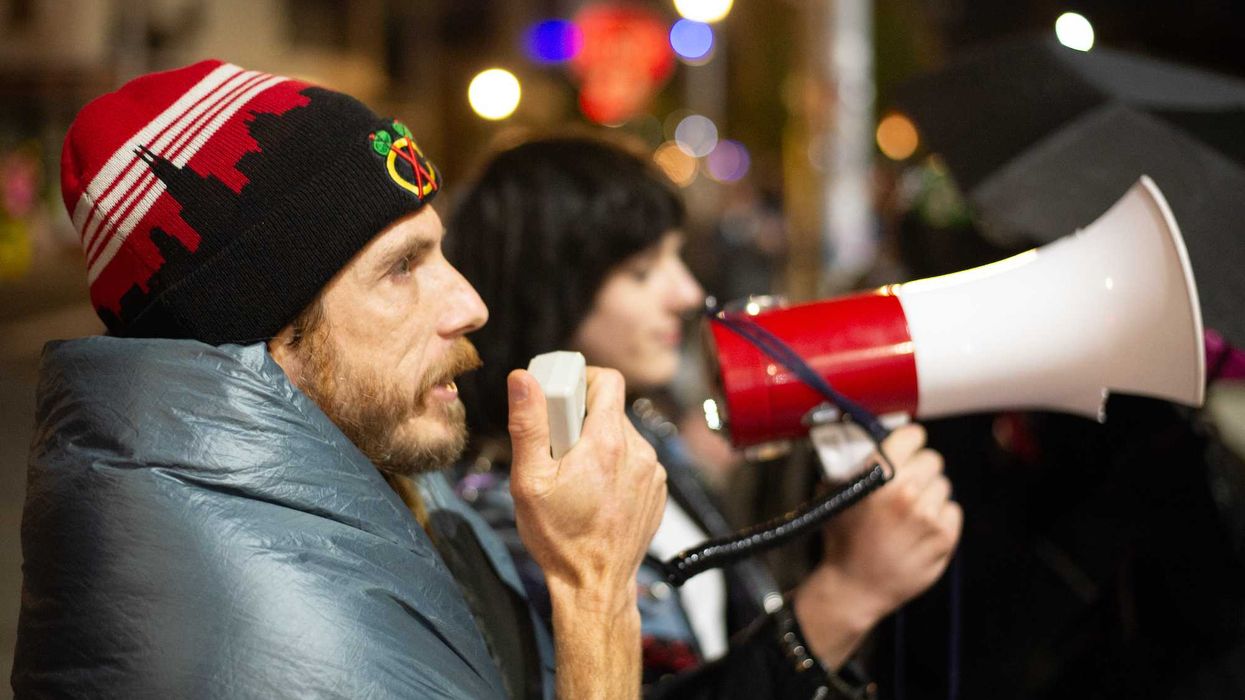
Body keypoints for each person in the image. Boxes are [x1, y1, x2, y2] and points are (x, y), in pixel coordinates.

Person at [12, 61, 667, 699]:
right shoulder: (266, 643)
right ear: (264, 324)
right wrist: (593, 591)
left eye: (439, 251)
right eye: (403, 266)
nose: (470, 305)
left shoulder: (372, 466)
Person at [445, 136, 964, 698]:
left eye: (677, 257)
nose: (688, 292)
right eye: (643, 270)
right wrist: (846, 594)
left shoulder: (636, 428)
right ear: (547, 287)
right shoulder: (507, 516)